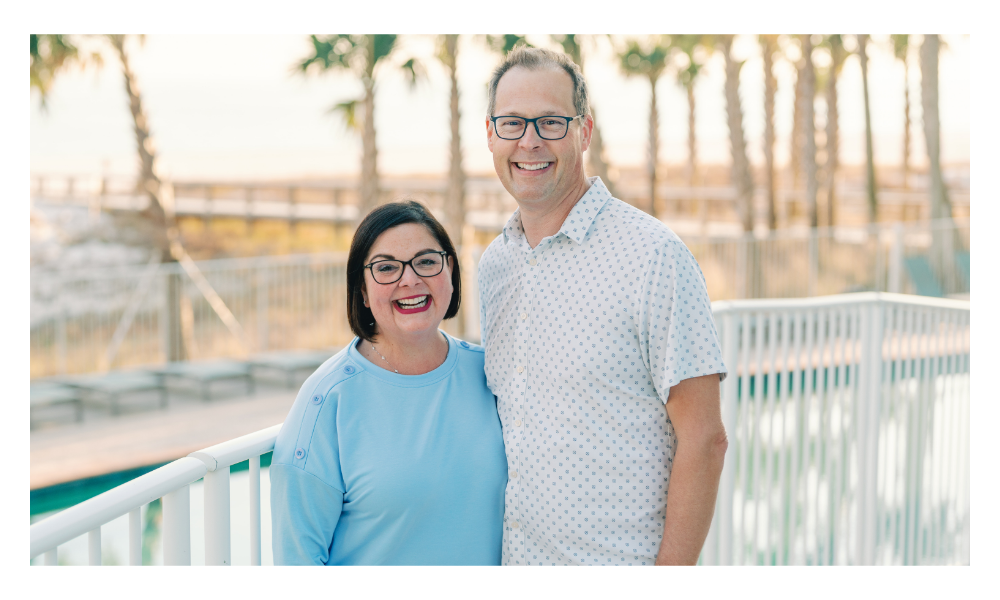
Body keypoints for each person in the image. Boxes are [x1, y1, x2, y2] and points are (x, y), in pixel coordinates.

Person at [478, 46, 729, 566]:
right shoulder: (495, 266)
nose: (529, 141)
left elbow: (704, 440)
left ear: (583, 131)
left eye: (550, 122)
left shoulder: (654, 258)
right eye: (511, 123)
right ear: (490, 134)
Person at [270, 201, 507, 565]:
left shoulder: (492, 374)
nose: (409, 279)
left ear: (451, 272)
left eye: (427, 261)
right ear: (362, 292)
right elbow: (298, 562)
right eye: (386, 268)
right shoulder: (327, 401)